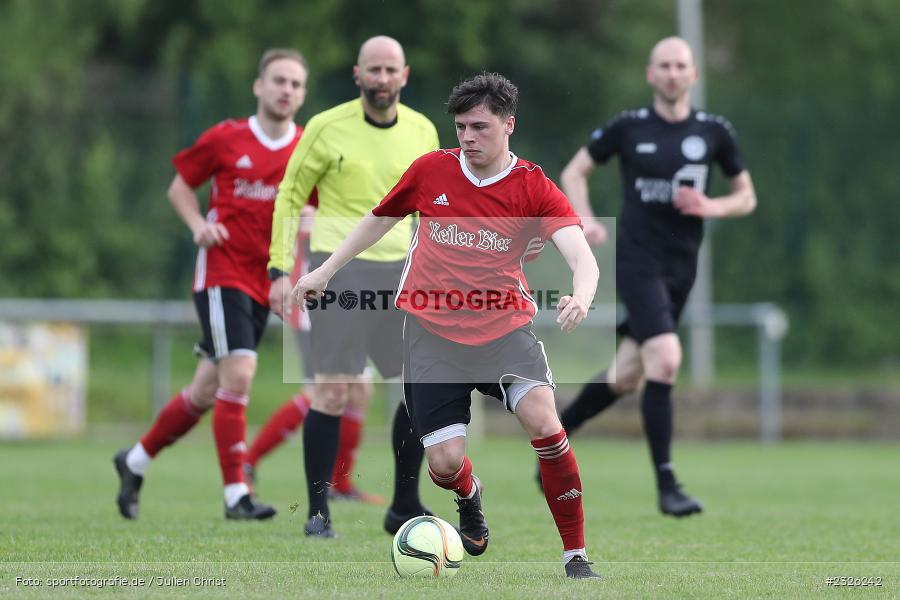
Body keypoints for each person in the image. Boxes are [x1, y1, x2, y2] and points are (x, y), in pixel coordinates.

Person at [294, 72, 603, 579]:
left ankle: (576, 556)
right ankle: (469, 494)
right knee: (442, 464)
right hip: (432, 337)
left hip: (505, 331)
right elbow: (379, 218)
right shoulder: (431, 172)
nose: (468, 137)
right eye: (460, 127)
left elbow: (581, 255)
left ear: (509, 125)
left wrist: (582, 296)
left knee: (546, 422)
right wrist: (326, 271)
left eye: (479, 127)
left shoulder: (532, 186)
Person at [552, 36, 757, 517]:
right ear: (651, 74)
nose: (671, 73)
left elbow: (746, 197)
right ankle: (668, 485)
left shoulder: (714, 131)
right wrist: (585, 219)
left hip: (682, 268)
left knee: (626, 375)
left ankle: (555, 439)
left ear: (693, 75)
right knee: (665, 358)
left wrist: (712, 205)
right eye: (663, 65)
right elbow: (574, 171)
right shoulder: (629, 127)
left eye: (679, 65)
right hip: (638, 262)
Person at [113, 48, 310, 520]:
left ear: (302, 94)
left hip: (267, 278)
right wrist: (197, 224)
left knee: (206, 390)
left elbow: (315, 211)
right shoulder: (226, 138)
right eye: (278, 80)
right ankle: (236, 495)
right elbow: (179, 185)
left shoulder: (307, 149)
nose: (286, 90)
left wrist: (308, 228)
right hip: (221, 271)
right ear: (258, 87)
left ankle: (133, 461)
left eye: (296, 84)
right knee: (240, 372)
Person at [267, 36, 439, 538]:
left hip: (402, 276)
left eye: (391, 70)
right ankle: (319, 513)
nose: (382, 79)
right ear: (357, 74)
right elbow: (290, 195)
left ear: (404, 75)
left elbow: (434, 206)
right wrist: (280, 270)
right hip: (338, 274)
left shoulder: (423, 131)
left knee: (419, 388)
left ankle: (403, 504)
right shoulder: (326, 127)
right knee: (334, 390)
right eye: (374, 70)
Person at [244, 203, 384, 505]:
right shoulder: (309, 201)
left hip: (347, 307)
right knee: (320, 394)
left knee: (359, 392)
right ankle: (248, 461)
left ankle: (341, 484)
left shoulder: (348, 191)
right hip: (315, 310)